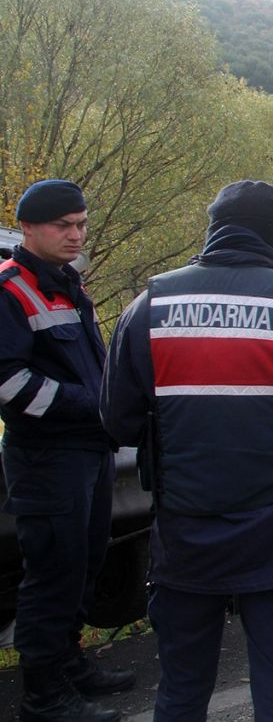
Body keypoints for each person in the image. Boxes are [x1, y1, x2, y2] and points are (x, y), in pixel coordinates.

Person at [100, 181, 273, 721]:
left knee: (181, 690)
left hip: (185, 540)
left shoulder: (149, 306)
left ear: (213, 227)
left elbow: (117, 420)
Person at [1, 180, 135, 722]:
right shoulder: (11, 290)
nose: (76, 234)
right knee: (53, 572)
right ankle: (44, 697)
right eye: (64, 225)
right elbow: (9, 383)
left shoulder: (66, 283)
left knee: (84, 563)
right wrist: (95, 403)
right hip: (46, 457)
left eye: (81, 224)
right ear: (29, 227)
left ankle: (69, 663)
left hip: (88, 452)